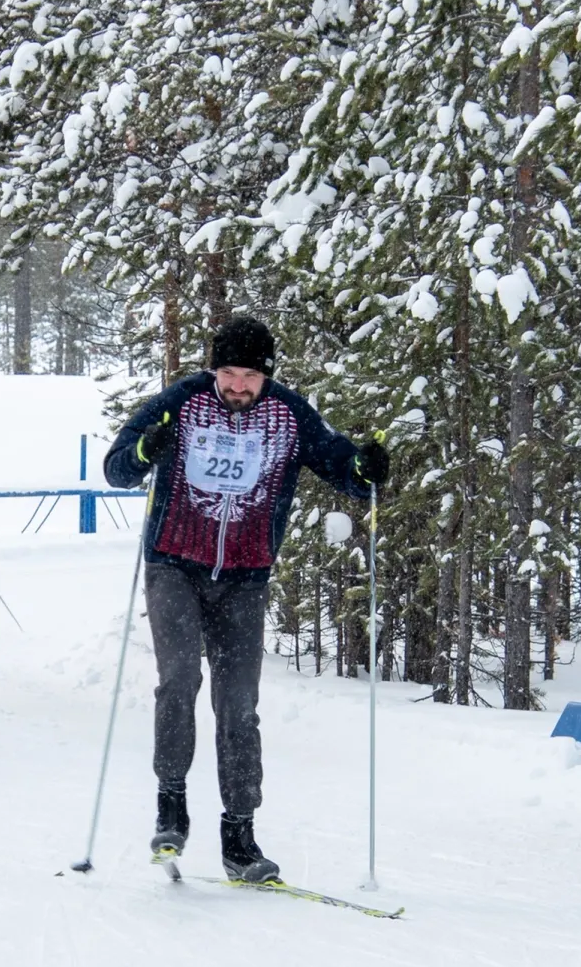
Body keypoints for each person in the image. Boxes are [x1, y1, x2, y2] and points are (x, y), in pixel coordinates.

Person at [103, 316, 390, 884]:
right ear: (214, 370)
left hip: (244, 579)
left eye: (249, 376)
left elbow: (341, 465)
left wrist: (364, 466)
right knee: (179, 679)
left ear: (267, 376)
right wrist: (144, 449)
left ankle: (240, 839)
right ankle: (171, 807)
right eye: (228, 373)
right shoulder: (179, 403)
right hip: (174, 566)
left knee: (238, 707)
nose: (237, 386)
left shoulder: (288, 413)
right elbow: (117, 469)